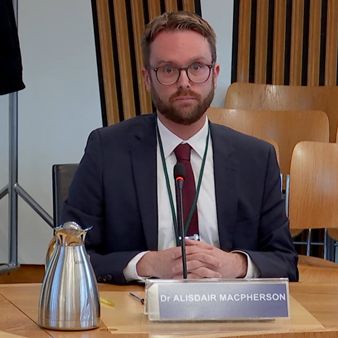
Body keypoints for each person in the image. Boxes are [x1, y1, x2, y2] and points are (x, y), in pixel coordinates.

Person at [62, 11, 298, 284]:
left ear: (214, 74)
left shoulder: (256, 158)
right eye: (168, 70)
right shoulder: (106, 150)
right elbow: (69, 254)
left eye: (197, 67)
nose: (184, 82)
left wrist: (235, 263)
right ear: (147, 78)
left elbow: (284, 261)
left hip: (232, 314)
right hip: (138, 315)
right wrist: (145, 263)